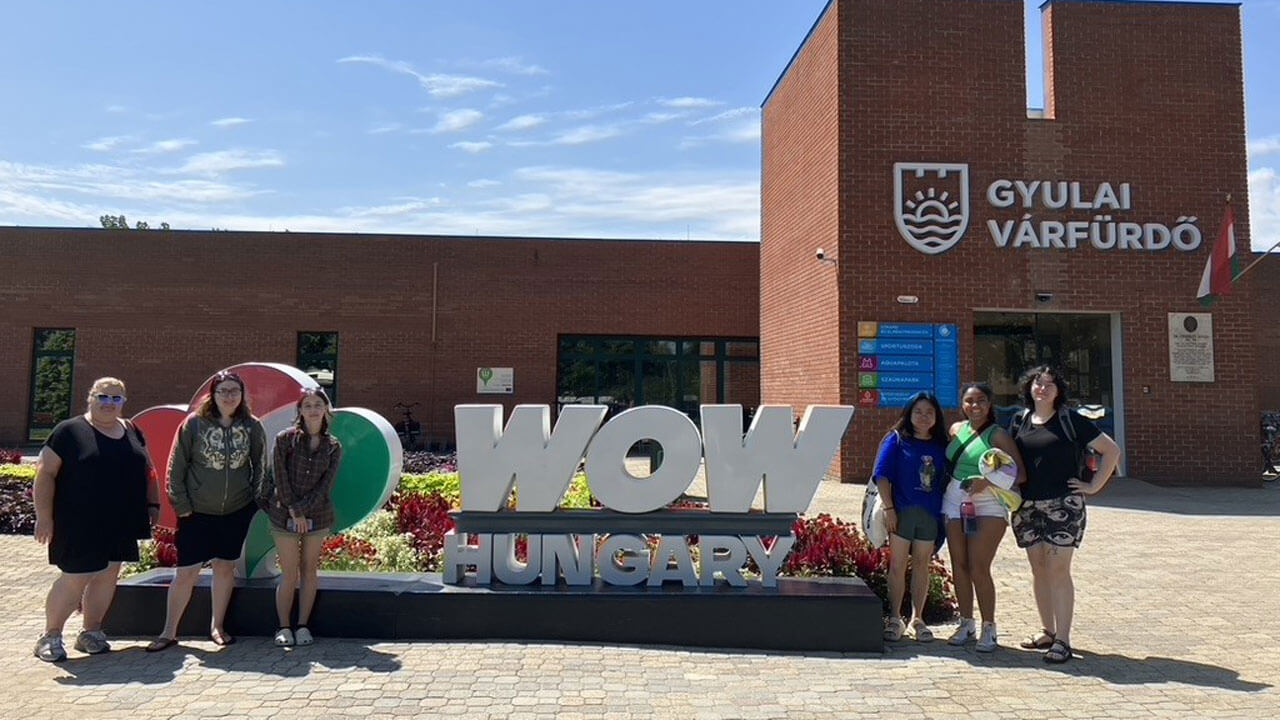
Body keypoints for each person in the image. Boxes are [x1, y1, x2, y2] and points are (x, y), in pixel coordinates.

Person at [32, 377, 159, 662]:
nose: (109, 403)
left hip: (120, 520)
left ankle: (91, 632)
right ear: (90, 397)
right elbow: (45, 474)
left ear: (124, 402)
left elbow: (148, 470)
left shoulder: (131, 430)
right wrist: (44, 517)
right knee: (76, 577)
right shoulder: (69, 431)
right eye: (103, 396)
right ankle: (50, 636)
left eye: (116, 398)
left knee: (107, 575)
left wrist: (153, 504)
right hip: (77, 522)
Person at [1010, 365, 1121, 664]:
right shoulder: (1019, 421)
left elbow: (1111, 450)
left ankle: (1064, 640)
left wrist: (1093, 486)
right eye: (1037, 383)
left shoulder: (1071, 420)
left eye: (1049, 384)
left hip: (1064, 506)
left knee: (1058, 570)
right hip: (1026, 507)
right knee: (1039, 569)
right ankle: (1047, 630)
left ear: (1059, 391)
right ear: (1028, 388)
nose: (1042, 388)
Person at [147, 371, 266, 652]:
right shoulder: (195, 424)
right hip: (196, 512)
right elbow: (176, 467)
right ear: (213, 394)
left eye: (234, 391)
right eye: (223, 391)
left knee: (224, 568)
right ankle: (169, 631)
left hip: (236, 510)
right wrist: (183, 505)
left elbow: (261, 464)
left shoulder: (252, 426)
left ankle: (217, 626)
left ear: (242, 395)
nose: (229, 396)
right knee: (187, 572)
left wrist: (255, 500)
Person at [942, 382, 1026, 652]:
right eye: (969, 401)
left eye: (980, 401)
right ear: (962, 404)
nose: (974, 406)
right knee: (960, 564)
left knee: (979, 566)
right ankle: (966, 623)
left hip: (988, 502)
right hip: (955, 498)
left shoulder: (998, 435)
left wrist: (988, 482)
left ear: (990, 404)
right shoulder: (956, 430)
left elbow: (1019, 475)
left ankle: (989, 627)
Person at [263, 388, 343, 647]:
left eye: (317, 404)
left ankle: (303, 625)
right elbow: (280, 476)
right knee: (289, 573)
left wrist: (305, 510)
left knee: (309, 570)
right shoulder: (285, 439)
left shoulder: (333, 447)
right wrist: (295, 510)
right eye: (307, 405)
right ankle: (283, 626)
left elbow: (325, 486)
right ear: (300, 410)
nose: (312, 409)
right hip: (283, 514)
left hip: (318, 516)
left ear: (325, 409)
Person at [873, 391, 949, 642]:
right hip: (901, 513)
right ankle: (895, 617)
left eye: (929, 412)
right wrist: (889, 509)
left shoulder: (942, 445)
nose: (924, 417)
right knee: (896, 565)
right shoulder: (896, 440)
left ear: (937, 416)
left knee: (921, 565)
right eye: (918, 411)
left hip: (929, 515)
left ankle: (918, 618)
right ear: (909, 413)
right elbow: (882, 476)